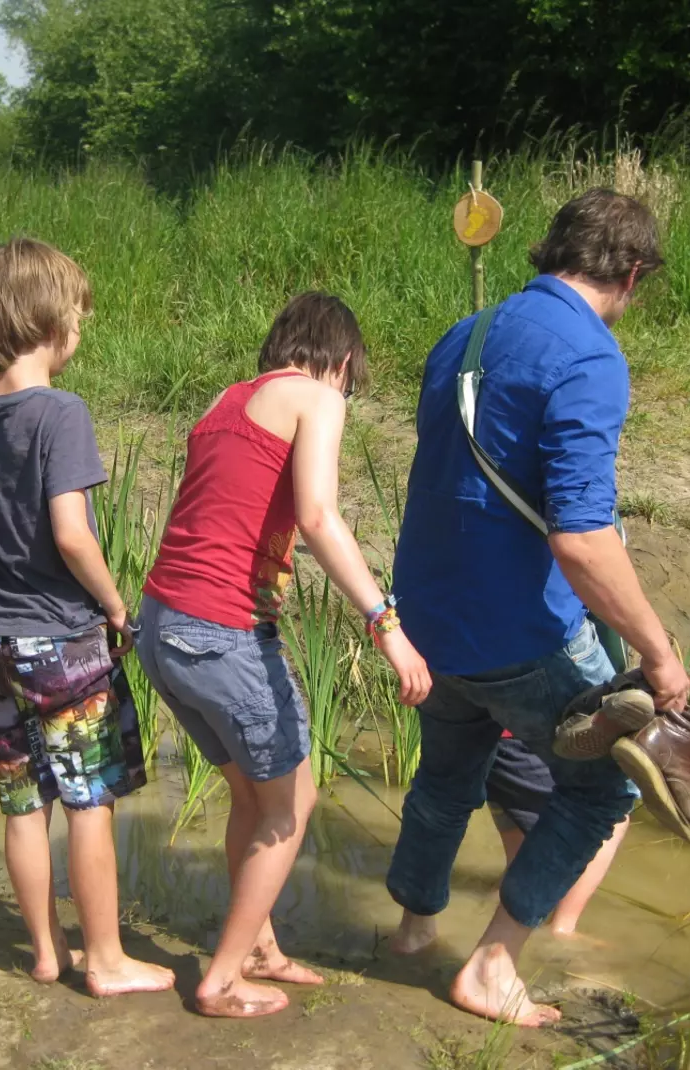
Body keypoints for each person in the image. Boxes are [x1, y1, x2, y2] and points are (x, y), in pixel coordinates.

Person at [385, 189, 690, 1027]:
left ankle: (413, 929)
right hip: (518, 631)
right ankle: (491, 965)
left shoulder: (464, 334)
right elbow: (583, 540)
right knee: (602, 794)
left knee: (447, 779)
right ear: (632, 275)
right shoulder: (589, 357)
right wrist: (659, 655)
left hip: (428, 615)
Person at [135, 292, 432, 1019]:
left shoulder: (225, 400)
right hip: (220, 629)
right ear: (341, 362)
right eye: (353, 383)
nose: (349, 395)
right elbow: (319, 517)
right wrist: (386, 623)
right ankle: (222, 978)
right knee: (290, 804)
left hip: (162, 623)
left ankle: (259, 944)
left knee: (254, 796)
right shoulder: (316, 397)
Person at [0, 238, 175, 999]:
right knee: (89, 801)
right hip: (62, 636)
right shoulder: (61, 413)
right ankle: (106, 960)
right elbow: (73, 533)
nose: (81, 329)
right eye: (77, 315)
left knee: (22, 800)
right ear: (53, 324)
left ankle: (46, 951)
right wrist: (116, 606)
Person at [390, 731, 630, 953]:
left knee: (458, 800)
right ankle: (561, 929)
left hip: (473, 717)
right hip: (526, 729)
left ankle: (416, 930)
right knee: (609, 811)